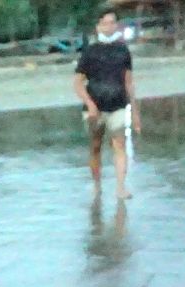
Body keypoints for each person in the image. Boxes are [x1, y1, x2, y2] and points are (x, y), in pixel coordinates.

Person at [73, 10, 142, 199]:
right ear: (98, 27)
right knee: (95, 147)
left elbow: (129, 83)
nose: (109, 27)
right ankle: (97, 185)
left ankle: (120, 187)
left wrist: (135, 112)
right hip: (94, 108)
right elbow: (77, 84)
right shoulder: (89, 52)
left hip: (118, 106)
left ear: (117, 26)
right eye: (105, 23)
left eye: (112, 23)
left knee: (119, 144)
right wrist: (90, 104)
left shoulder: (123, 51)